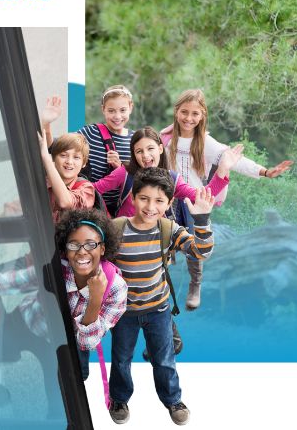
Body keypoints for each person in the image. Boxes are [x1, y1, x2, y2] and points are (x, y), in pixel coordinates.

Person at [160, 89, 293, 308]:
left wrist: (264, 171)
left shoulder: (204, 141)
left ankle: (195, 284)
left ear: (202, 115)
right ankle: (161, 285)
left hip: (195, 200)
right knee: (163, 240)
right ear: (176, 111)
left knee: (195, 241)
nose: (189, 118)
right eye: (184, 112)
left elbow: (232, 159)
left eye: (195, 114)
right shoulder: (164, 138)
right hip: (168, 198)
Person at [108, 168, 215, 425]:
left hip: (158, 309)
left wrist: (201, 221)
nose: (150, 206)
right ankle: (119, 398)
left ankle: (172, 400)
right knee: (121, 358)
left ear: (169, 203)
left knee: (164, 358)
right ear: (133, 198)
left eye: (159, 201)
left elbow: (200, 252)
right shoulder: (115, 228)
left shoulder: (169, 229)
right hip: (124, 312)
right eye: (144, 198)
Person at [93, 126, 241, 219]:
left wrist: (223, 169)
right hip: (124, 241)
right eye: (139, 151)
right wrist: (107, 220)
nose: (145, 155)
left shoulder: (172, 179)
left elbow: (202, 197)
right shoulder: (124, 173)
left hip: (156, 244)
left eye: (150, 148)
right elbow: (92, 190)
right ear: (134, 154)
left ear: (160, 148)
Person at [54, 208, 127, 382]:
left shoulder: (116, 288)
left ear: (102, 248)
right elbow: (12, 280)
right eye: (73, 244)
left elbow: (87, 343)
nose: (81, 251)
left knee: (78, 374)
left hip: (76, 341)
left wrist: (96, 299)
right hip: (46, 332)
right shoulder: (57, 269)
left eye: (90, 244)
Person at [73, 85, 136, 215]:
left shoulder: (135, 141)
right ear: (103, 109)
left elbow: (140, 181)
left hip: (121, 212)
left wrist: (120, 167)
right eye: (111, 111)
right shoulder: (90, 133)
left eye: (123, 110)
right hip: (90, 207)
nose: (117, 116)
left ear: (131, 108)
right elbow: (63, 147)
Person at [38, 131, 96, 223]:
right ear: (54, 158)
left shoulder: (86, 189)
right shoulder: (41, 183)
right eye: (63, 155)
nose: (69, 161)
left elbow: (65, 202)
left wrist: (46, 160)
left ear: (84, 163)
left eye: (76, 157)